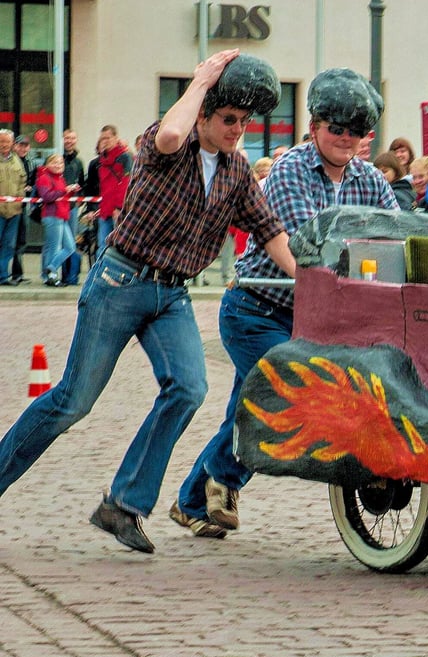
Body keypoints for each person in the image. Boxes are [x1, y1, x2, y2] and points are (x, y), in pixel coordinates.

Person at [0, 49, 294, 554]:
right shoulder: (164, 145)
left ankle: (124, 505)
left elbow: (269, 230)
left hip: (172, 293)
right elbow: (174, 133)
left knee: (188, 387)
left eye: (244, 121)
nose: (237, 129)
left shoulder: (236, 171)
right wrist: (201, 80)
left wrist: (309, 281)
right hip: (120, 280)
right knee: (73, 401)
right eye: (228, 119)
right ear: (203, 111)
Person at [172, 67, 398, 539]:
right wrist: (368, 257)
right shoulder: (291, 170)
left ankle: (195, 499)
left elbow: (396, 236)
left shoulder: (372, 181)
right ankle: (224, 481)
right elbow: (308, 250)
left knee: (249, 404)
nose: (345, 138)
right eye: (336, 127)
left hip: (317, 318)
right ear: (314, 126)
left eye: (356, 130)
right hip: (256, 310)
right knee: (283, 392)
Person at [34, 153, 80, 285]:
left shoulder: (60, 178)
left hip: (62, 215)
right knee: (53, 247)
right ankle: (50, 276)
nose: (58, 165)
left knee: (70, 247)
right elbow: (47, 196)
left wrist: (70, 190)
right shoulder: (44, 177)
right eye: (54, 162)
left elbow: (61, 195)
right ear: (47, 165)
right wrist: (65, 190)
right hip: (52, 216)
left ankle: (50, 269)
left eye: (61, 163)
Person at [94, 125, 133, 251]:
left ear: (116, 138)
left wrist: (118, 207)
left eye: (108, 138)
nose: (105, 141)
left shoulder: (125, 157)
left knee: (118, 247)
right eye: (102, 138)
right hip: (105, 209)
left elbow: (125, 184)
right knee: (102, 246)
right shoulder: (101, 160)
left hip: (118, 210)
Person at [0, 130, 27, 286]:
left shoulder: (16, 160)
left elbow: (22, 181)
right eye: (1, 141)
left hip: (14, 212)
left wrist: (19, 199)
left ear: (12, 143)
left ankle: (3, 276)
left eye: (7, 141)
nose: (4, 144)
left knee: (9, 245)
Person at [10, 135, 35, 284]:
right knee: (7, 242)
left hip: (23, 207)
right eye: (20, 145)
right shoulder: (10, 161)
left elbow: (34, 183)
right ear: (15, 146)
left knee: (21, 242)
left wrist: (30, 188)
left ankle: (17, 274)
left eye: (26, 145)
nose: (23, 148)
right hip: (8, 207)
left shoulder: (31, 163)